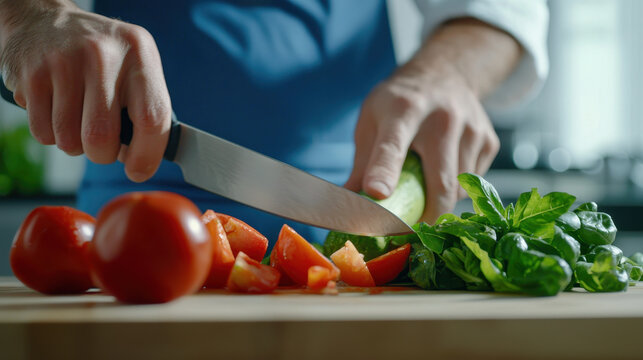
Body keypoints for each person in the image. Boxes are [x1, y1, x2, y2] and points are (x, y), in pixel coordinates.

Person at [0, 0, 548, 245]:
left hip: (343, 215)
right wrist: (26, 14)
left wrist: (446, 71)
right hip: (131, 233)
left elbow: (502, 9)